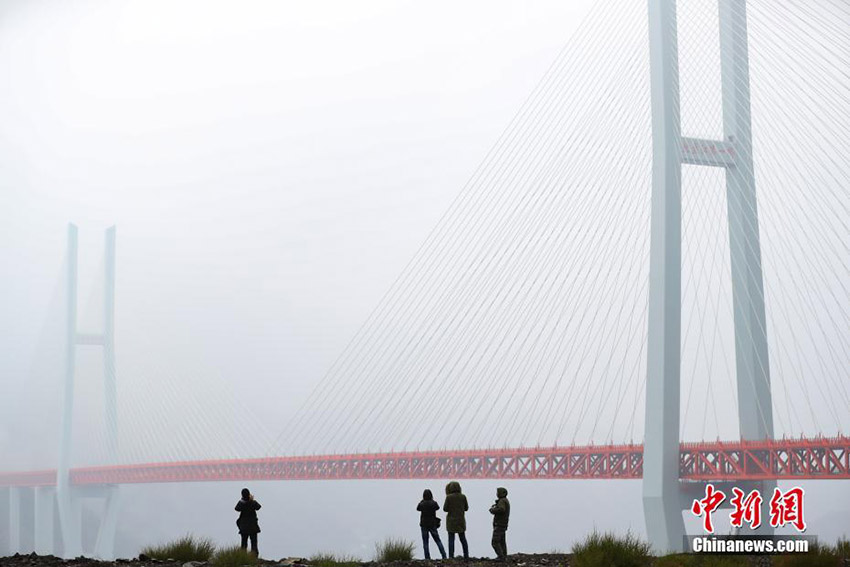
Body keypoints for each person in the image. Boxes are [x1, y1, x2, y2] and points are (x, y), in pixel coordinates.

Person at [442, 481, 469, 561]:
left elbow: (445, 509)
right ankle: (466, 556)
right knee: (463, 539)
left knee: (451, 539)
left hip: (451, 521)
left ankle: (451, 556)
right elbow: (466, 508)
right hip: (461, 520)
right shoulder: (463, 497)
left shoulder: (449, 497)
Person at [417, 489, 447, 560]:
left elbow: (418, 508)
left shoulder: (422, 504)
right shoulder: (433, 503)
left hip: (424, 524)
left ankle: (427, 557)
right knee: (437, 540)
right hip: (432, 523)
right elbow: (438, 507)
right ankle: (444, 555)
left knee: (425, 542)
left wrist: (422, 501)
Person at [235, 487, 262, 556]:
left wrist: (242, 500)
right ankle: (254, 557)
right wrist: (251, 500)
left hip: (244, 527)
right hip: (253, 526)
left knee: (244, 543)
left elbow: (237, 508)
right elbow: (258, 507)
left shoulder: (242, 503)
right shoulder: (252, 502)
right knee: (254, 543)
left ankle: (243, 557)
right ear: (249, 494)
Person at [489, 487, 510, 561]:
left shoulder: (502, 501)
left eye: (498, 492)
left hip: (499, 524)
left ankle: (501, 556)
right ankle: (504, 556)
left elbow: (501, 509)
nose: (497, 494)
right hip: (503, 524)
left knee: (495, 541)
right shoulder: (504, 500)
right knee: (502, 541)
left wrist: (493, 510)